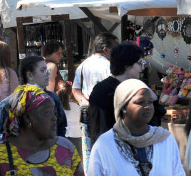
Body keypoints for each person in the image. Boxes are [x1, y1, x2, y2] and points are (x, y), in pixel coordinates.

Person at [0, 56, 66, 144]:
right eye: (42, 70)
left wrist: (56, 146)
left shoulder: (53, 98)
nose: (47, 73)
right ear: (30, 75)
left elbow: (62, 126)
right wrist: (14, 146)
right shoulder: (11, 101)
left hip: (50, 154)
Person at [87, 42, 145, 145]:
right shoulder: (103, 90)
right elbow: (101, 126)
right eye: (139, 63)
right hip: (110, 148)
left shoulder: (132, 87)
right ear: (127, 65)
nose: (142, 69)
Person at [72, 32, 117, 162]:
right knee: (108, 151)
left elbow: (75, 89)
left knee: (89, 151)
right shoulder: (110, 66)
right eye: (114, 49)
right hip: (107, 115)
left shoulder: (82, 65)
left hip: (88, 114)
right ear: (105, 50)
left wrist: (85, 103)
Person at [43, 41, 79, 147]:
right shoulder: (52, 66)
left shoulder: (43, 65)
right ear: (49, 53)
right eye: (58, 53)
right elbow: (49, 91)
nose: (61, 56)